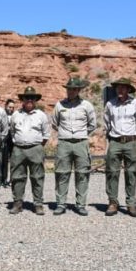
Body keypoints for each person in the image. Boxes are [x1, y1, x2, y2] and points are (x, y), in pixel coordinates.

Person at [51, 77, 96, 216]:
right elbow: (54, 123)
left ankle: (81, 204)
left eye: (74, 89)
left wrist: (80, 134)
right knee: (61, 173)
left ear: (78, 90)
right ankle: (61, 203)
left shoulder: (86, 105)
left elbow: (92, 124)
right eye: (69, 89)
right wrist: (65, 134)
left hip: (81, 143)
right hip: (64, 143)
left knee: (82, 174)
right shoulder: (59, 105)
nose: (71, 91)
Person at [103, 77, 136, 217]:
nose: (120, 90)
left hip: (130, 142)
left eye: (123, 87)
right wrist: (111, 136)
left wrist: (133, 137)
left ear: (128, 89)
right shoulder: (110, 104)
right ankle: (112, 203)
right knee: (112, 172)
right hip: (114, 141)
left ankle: (131, 203)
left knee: (132, 173)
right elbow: (106, 123)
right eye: (118, 87)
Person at [9, 86, 51, 215]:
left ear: (35, 100)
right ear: (23, 99)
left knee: (37, 177)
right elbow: (12, 132)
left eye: (32, 98)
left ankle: (38, 204)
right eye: (27, 98)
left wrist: (37, 146)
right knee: (17, 177)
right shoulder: (16, 115)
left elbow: (46, 134)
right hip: (19, 149)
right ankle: (17, 203)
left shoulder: (41, 115)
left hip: (35, 148)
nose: (29, 100)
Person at [0, 98, 16, 186]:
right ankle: (3, 179)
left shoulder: (16, 115)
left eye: (13, 107)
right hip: (5, 140)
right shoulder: (2, 115)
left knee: (14, 161)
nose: (11, 109)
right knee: (4, 160)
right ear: (6, 106)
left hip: (13, 140)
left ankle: (12, 180)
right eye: (10, 107)